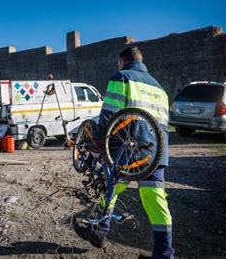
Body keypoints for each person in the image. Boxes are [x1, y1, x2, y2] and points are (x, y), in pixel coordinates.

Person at [75, 47, 174, 258]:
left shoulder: (122, 77)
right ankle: (164, 253)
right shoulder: (160, 89)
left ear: (122, 61)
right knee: (155, 199)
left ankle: (99, 231)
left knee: (107, 186)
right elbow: (164, 125)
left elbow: (110, 113)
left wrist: (99, 143)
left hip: (128, 149)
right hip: (155, 151)